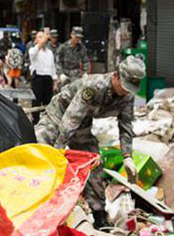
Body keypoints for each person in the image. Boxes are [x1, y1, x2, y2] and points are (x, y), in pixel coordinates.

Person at [35, 56, 145, 226]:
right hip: (58, 117)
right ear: (116, 76)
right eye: (124, 86)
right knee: (42, 156)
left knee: (93, 163)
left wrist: (127, 156)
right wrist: (58, 148)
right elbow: (71, 118)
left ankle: (99, 215)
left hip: (83, 124)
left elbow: (126, 125)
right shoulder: (94, 86)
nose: (125, 92)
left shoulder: (127, 97)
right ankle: (39, 207)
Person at [29, 31, 56, 119]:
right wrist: (42, 41)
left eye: (43, 37)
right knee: (36, 101)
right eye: (40, 37)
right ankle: (35, 120)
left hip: (48, 79)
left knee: (48, 102)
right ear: (36, 40)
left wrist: (55, 82)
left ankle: (46, 120)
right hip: (38, 79)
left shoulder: (49, 52)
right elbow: (33, 53)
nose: (42, 39)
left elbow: (52, 67)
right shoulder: (33, 50)